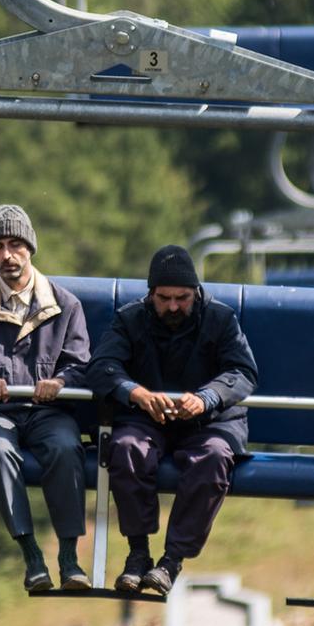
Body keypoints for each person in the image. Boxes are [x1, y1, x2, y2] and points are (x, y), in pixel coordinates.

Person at [0, 204, 96, 592]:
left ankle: (68, 556)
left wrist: (60, 382)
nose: (7, 255)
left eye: (15, 245)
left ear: (30, 248)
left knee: (64, 448)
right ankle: (31, 555)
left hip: (47, 413)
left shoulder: (65, 306)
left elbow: (80, 364)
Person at [88, 244, 258, 598]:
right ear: (151, 294)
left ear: (195, 292)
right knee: (126, 447)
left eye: (182, 297)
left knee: (213, 458)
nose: (174, 307)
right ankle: (138, 553)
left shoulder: (221, 319)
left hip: (209, 423)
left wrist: (206, 398)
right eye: (164, 298)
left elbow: (242, 371)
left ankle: (171, 561)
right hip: (148, 419)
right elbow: (103, 366)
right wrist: (136, 394)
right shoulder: (130, 318)